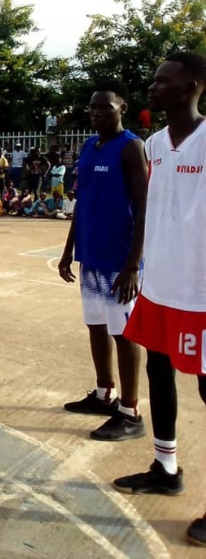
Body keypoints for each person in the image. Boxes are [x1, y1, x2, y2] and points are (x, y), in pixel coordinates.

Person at [111, 52, 206, 547]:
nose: (152, 88)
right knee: (158, 369)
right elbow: (152, 211)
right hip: (161, 285)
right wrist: (138, 264)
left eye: (161, 81)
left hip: (201, 290)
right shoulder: (154, 145)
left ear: (191, 85)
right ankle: (166, 466)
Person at [58, 79, 147, 442]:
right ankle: (103, 392)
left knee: (124, 333)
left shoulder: (131, 148)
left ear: (121, 107)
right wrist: (68, 251)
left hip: (118, 260)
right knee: (95, 325)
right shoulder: (89, 147)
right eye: (92, 107)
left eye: (104, 107)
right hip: (91, 257)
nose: (96, 112)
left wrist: (131, 266)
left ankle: (130, 410)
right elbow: (82, 203)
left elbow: (144, 208)